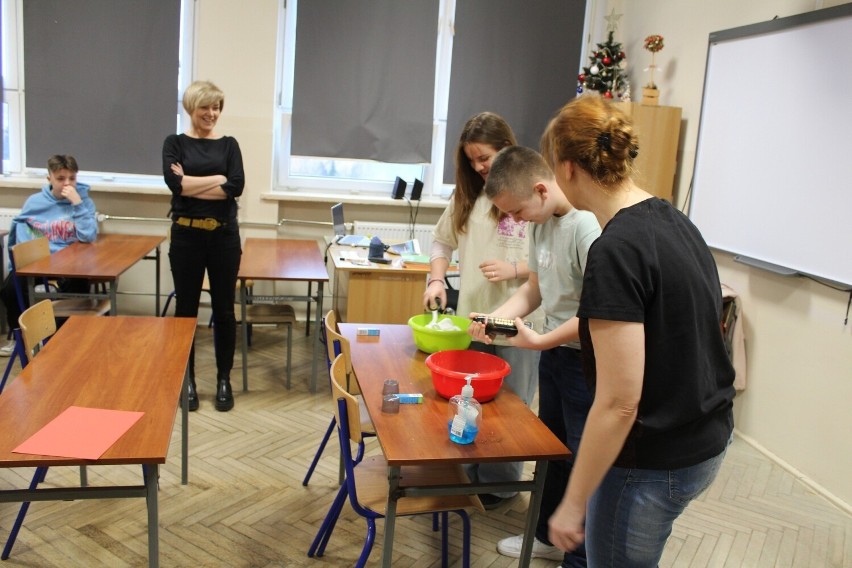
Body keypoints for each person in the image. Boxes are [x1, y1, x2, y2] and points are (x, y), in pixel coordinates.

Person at [541, 94, 736, 566]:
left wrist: (572, 502)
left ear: (567, 169)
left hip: (654, 460)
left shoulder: (615, 250)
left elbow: (619, 402)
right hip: (706, 437)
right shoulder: (674, 220)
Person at [472, 145, 600, 566]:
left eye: (517, 211)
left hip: (587, 362)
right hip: (557, 356)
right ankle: (547, 535)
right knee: (554, 450)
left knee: (585, 461)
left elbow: (598, 313)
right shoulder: (541, 224)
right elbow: (534, 288)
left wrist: (541, 341)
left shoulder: (586, 228)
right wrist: (496, 318)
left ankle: (579, 555)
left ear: (542, 190)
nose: (514, 221)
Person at [422, 112, 542, 510]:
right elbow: (441, 244)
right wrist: (436, 281)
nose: (478, 167)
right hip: (473, 323)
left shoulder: (530, 196)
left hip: (519, 325)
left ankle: (501, 486)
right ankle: (466, 473)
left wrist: (515, 269)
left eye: (485, 157)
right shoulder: (468, 195)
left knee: (512, 408)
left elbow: (553, 261)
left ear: (507, 148)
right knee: (468, 401)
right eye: (471, 160)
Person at [162, 80, 245, 412]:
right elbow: (174, 184)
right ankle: (188, 380)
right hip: (186, 237)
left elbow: (236, 186)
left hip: (224, 238)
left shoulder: (229, 145)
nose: (212, 114)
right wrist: (217, 180)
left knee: (225, 311)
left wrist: (191, 183)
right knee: (186, 312)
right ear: (191, 108)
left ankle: (224, 379)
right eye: (205, 107)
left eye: (217, 108)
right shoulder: (175, 143)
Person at [1, 155, 97, 356]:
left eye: (72, 178)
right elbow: (19, 233)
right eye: (61, 178)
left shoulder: (83, 201)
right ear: (49, 178)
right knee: (10, 288)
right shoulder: (35, 202)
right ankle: (22, 338)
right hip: (40, 262)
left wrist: (78, 204)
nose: (67, 183)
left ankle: (61, 342)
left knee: (77, 288)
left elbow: (88, 236)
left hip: (71, 263)